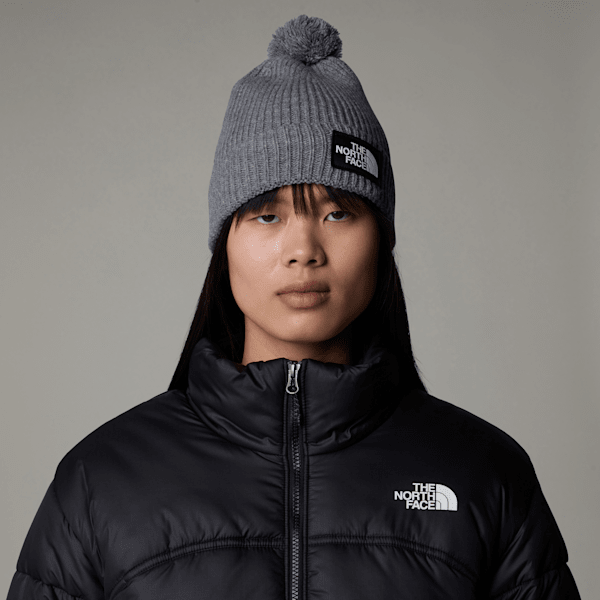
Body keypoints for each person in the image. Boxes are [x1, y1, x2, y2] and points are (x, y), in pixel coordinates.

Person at [7, 14, 580, 600]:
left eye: (338, 212)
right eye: (267, 215)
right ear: (225, 243)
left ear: (380, 240)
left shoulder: (484, 474)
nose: (304, 249)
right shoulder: (100, 481)